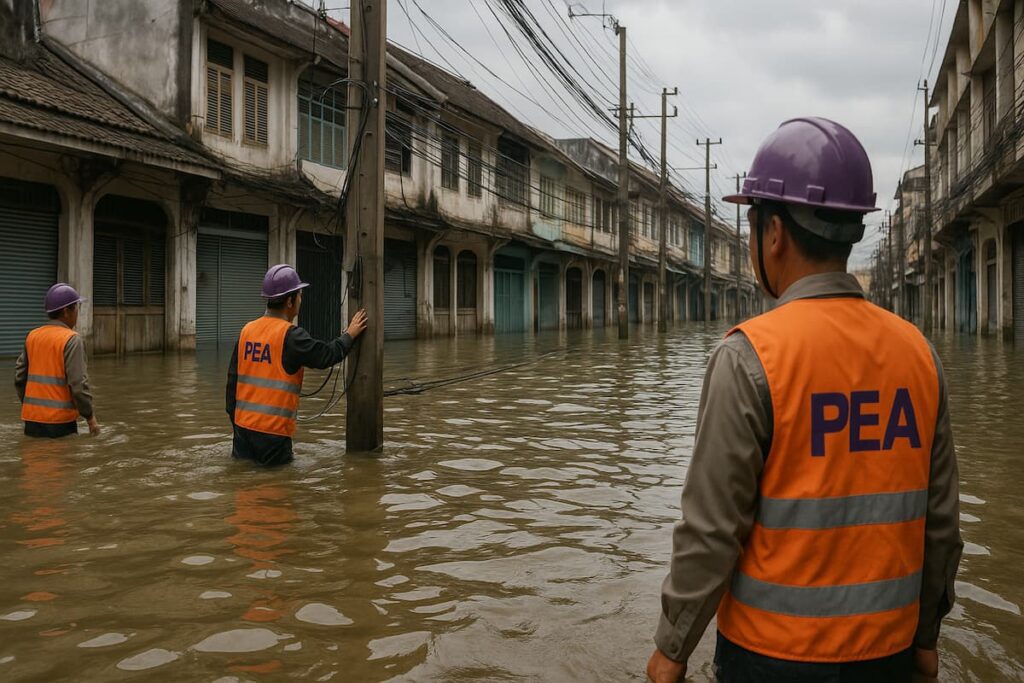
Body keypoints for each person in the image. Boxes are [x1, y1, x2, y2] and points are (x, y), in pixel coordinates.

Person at [646, 118, 963, 683]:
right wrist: (926, 638)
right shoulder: (919, 354)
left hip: (768, 657)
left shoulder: (749, 356)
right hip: (887, 654)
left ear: (773, 234)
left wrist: (672, 650)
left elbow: (712, 530)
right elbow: (940, 525)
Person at [226, 264, 367, 466]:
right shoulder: (291, 336)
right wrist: (349, 335)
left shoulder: (247, 331)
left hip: (242, 431)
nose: (301, 300)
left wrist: (237, 423)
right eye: (300, 295)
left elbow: (232, 383)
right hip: (273, 436)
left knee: (245, 484)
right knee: (276, 490)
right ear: (290, 300)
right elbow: (326, 356)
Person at [14, 283, 100, 438]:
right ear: (67, 311)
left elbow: (20, 378)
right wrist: (90, 417)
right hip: (61, 424)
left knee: (34, 460)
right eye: (76, 308)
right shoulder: (72, 340)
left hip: (32, 422)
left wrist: (32, 407)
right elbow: (78, 384)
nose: (77, 313)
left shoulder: (32, 336)